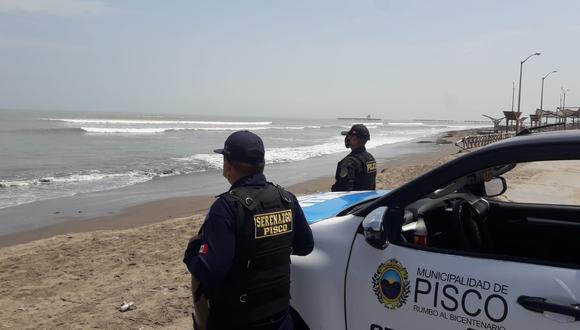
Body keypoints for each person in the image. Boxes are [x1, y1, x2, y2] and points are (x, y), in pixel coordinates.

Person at [183, 130, 314, 330]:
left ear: (228, 164)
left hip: (237, 320)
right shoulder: (286, 198)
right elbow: (305, 246)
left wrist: (192, 252)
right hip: (280, 316)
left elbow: (210, 272)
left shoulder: (226, 208)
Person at [331, 124, 377, 192]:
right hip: (369, 198)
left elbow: (342, 190)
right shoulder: (371, 158)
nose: (347, 139)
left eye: (349, 137)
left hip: (356, 201)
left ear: (354, 140)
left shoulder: (348, 163)